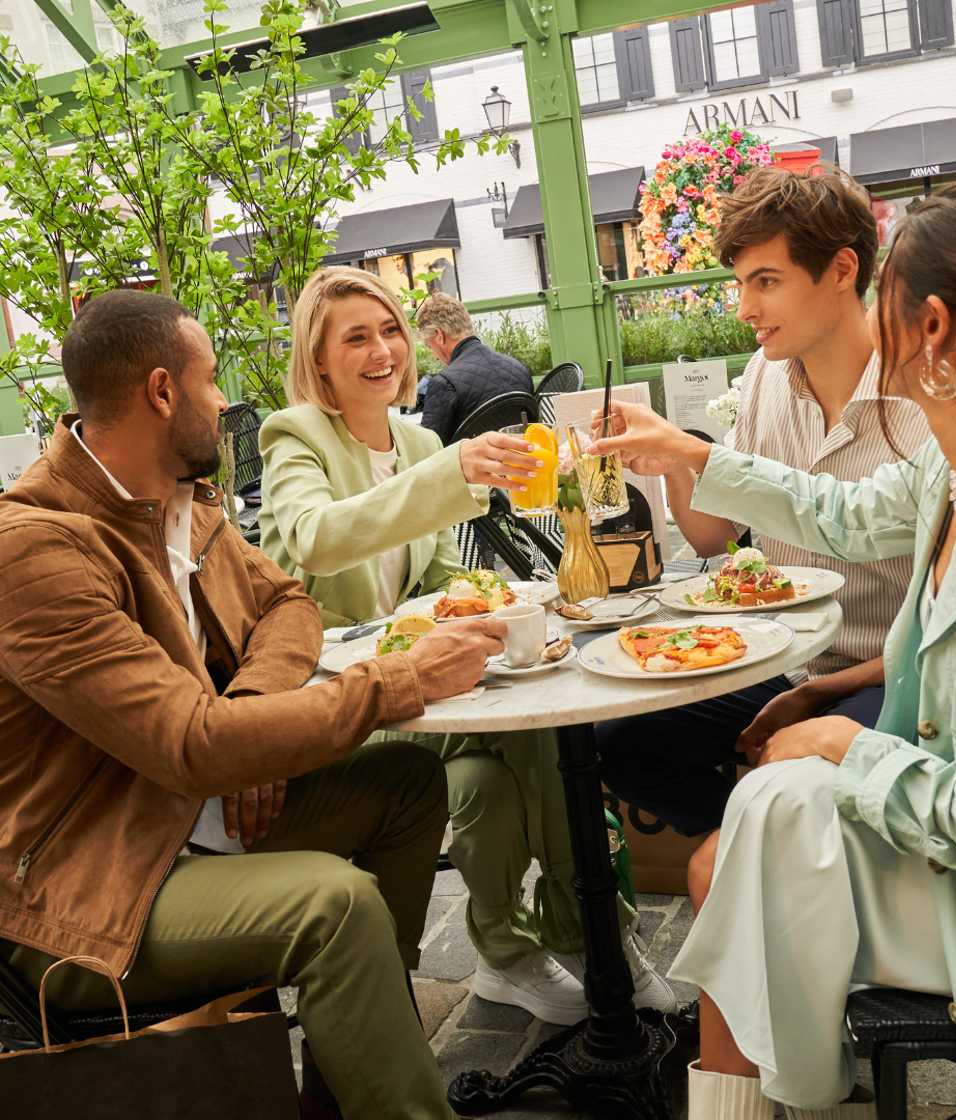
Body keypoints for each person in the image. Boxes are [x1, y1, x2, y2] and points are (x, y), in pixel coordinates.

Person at [589, 178, 956, 1120]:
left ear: (934, 331)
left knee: (759, 833)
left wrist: (844, 743)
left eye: (885, 300)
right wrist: (686, 453)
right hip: (951, 839)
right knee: (763, 812)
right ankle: (760, 1097)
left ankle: (756, 1099)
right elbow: (836, 512)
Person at [0, 289, 510, 1120]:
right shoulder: (35, 550)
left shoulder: (184, 503)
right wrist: (401, 680)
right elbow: (189, 746)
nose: (226, 403)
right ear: (162, 393)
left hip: (189, 821)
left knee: (407, 785)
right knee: (334, 904)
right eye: (210, 384)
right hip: (91, 885)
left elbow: (289, 607)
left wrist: (250, 719)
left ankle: (349, 1090)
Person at [258, 266, 674, 1025]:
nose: (384, 349)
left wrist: (498, 608)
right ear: (317, 359)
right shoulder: (295, 437)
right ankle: (556, 940)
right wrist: (450, 470)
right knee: (528, 752)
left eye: (391, 330)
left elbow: (447, 580)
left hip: (423, 690)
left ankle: (544, 945)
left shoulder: (415, 438)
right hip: (346, 698)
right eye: (356, 336)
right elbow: (315, 539)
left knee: (497, 773)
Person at [597, 167, 929, 838]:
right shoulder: (762, 377)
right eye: (741, 283)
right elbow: (718, 539)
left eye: (766, 282)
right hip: (784, 658)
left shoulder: (924, 395)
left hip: (896, 676)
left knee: (785, 791)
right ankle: (757, 855)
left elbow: (939, 619)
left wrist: (815, 694)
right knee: (619, 739)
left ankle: (770, 850)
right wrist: (667, 465)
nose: (744, 308)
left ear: (841, 269)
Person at [416, 291, 533, 444]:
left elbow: (429, 449)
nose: (433, 354)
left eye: (428, 344)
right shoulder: (519, 369)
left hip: (471, 467)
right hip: (522, 460)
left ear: (439, 335)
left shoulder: (444, 383)